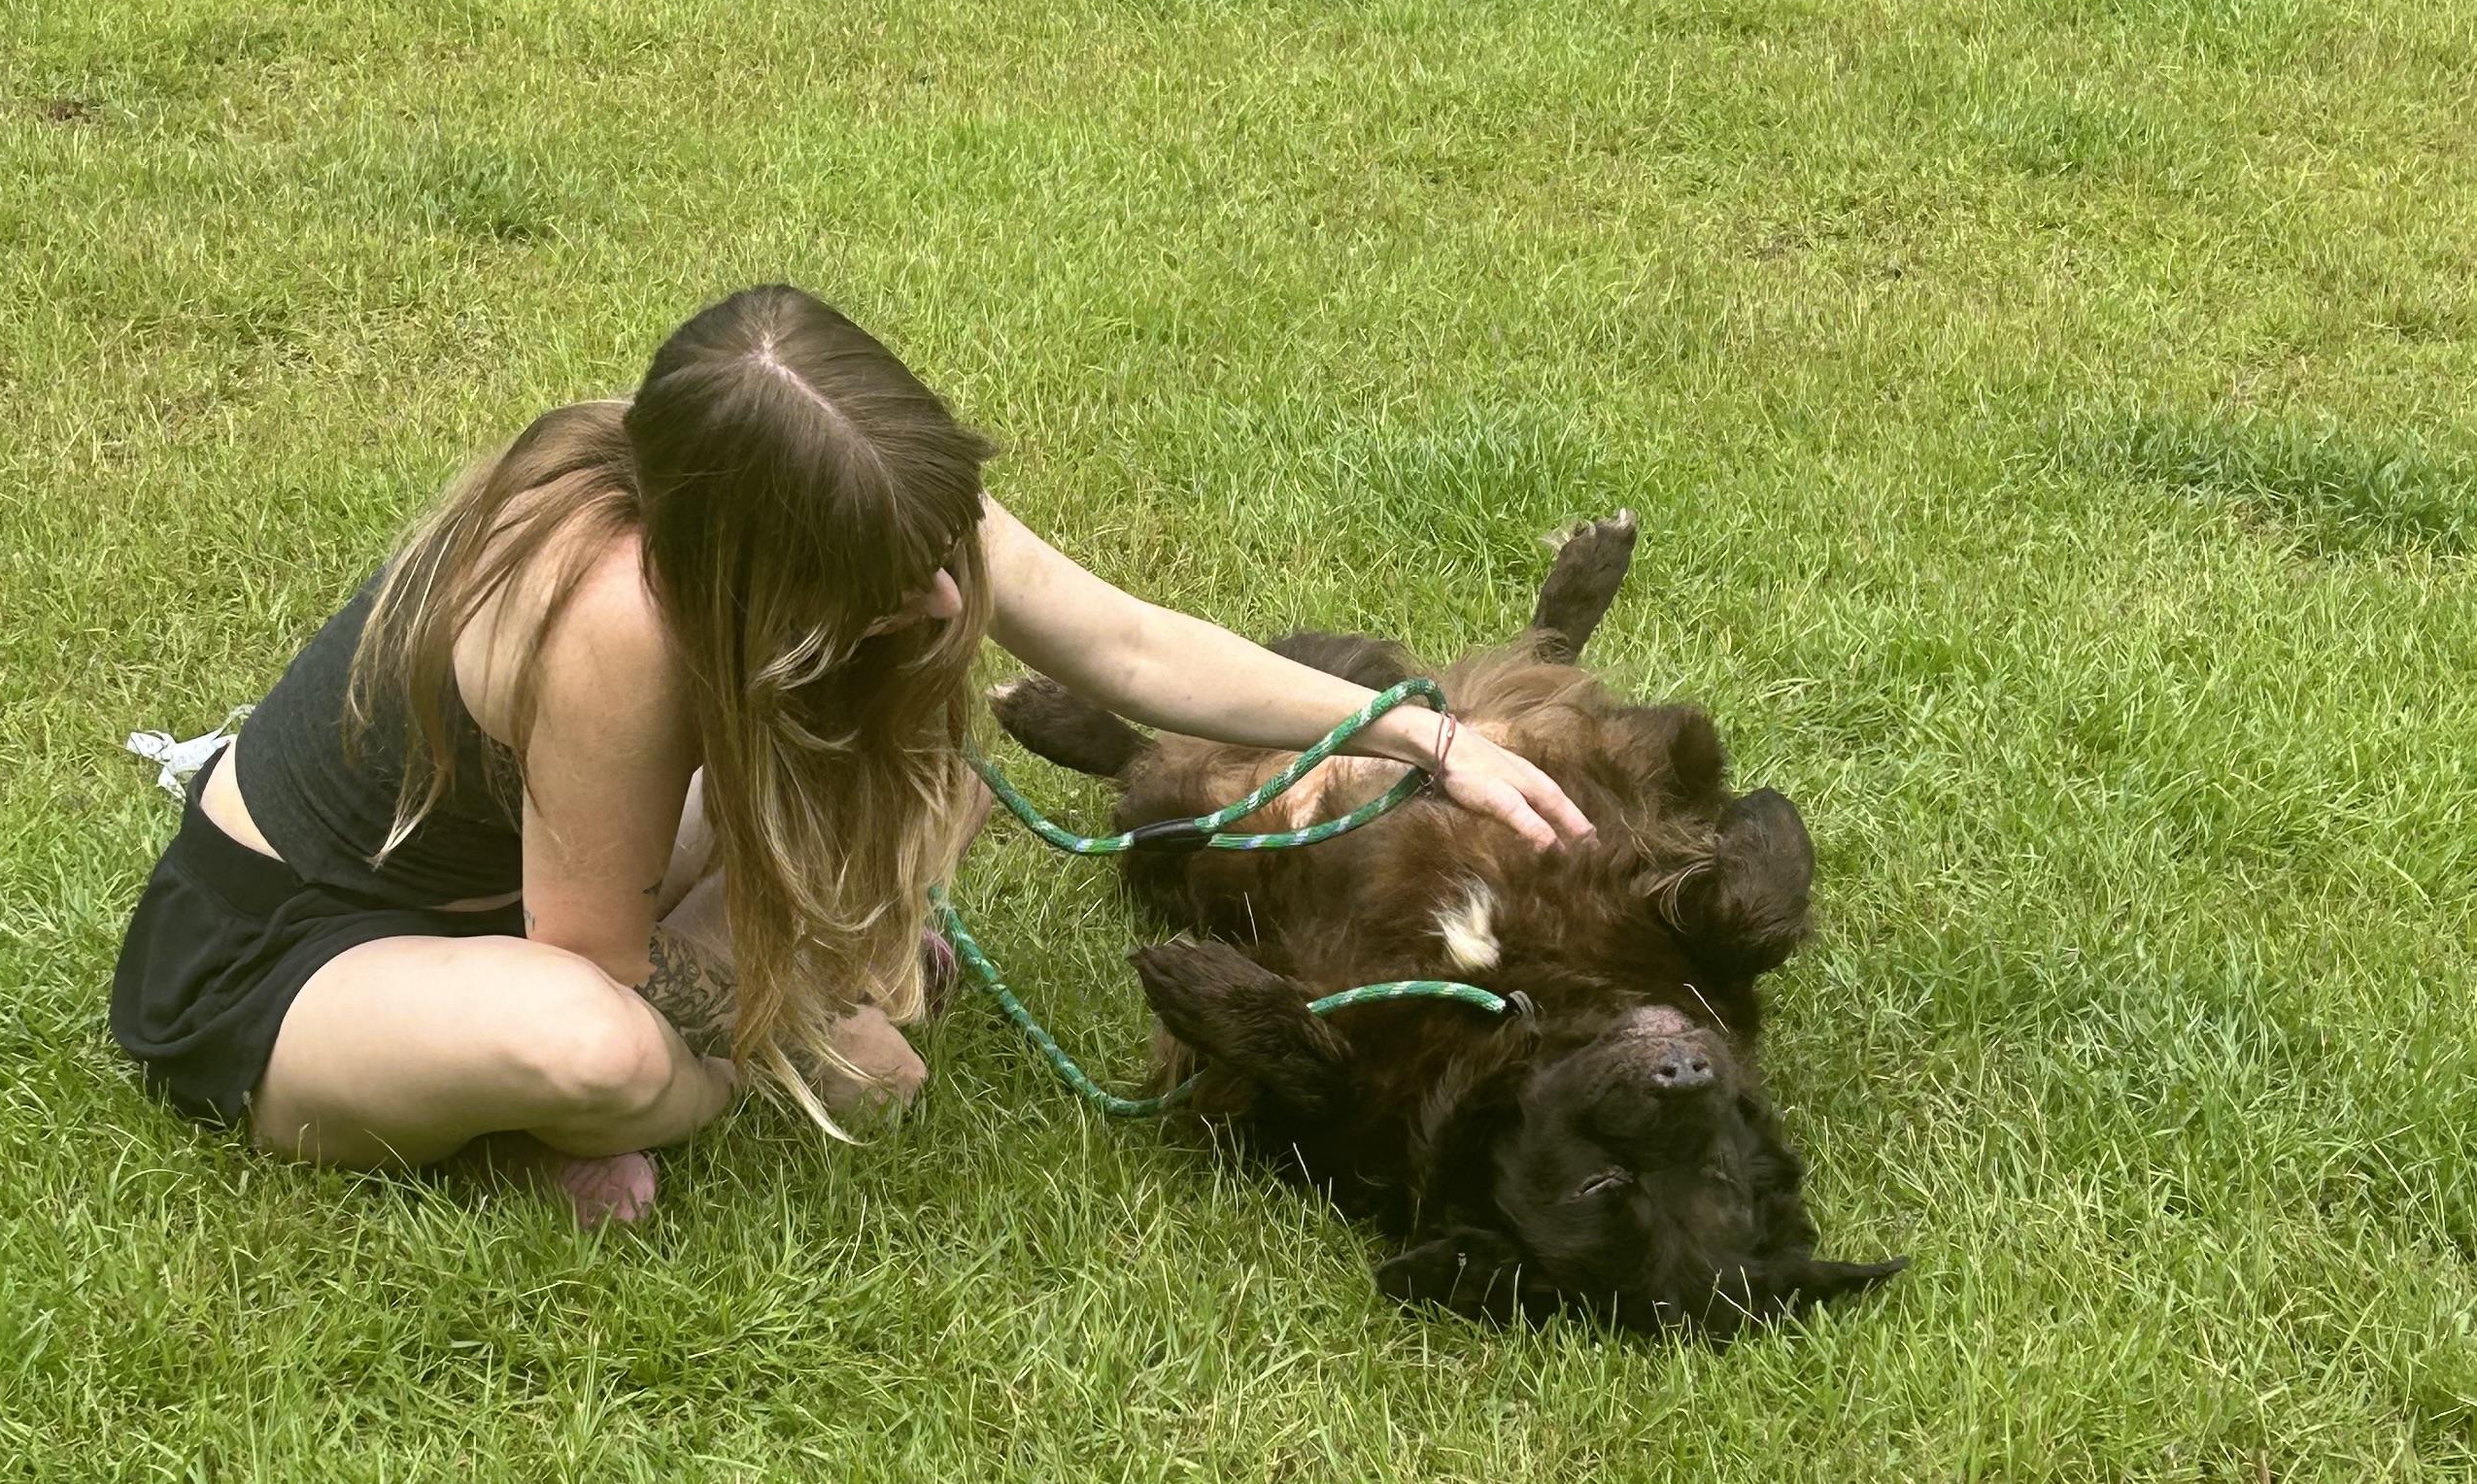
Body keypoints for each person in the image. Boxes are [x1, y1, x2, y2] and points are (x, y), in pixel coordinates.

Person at [109, 287, 1593, 1225]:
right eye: (892, 574)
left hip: (533, 886)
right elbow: (594, 960)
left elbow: (1126, 648)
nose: (944, 600)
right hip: (302, 957)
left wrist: (1421, 732)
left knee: (920, 769)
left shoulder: (854, 488)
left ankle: (658, 1068)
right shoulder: (614, 612)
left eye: (942, 548)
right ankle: (544, 1118)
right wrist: (809, 1035)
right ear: (743, 561)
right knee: (595, 1049)